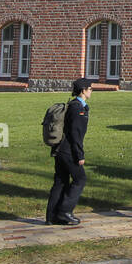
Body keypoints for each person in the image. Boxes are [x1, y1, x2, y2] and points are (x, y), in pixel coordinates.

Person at [46, 79, 91, 225]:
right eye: (90, 89)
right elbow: (75, 134)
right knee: (80, 179)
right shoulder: (78, 108)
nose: (91, 91)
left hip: (59, 149)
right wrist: (79, 155)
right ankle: (65, 211)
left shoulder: (73, 105)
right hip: (68, 150)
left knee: (60, 181)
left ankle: (51, 216)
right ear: (83, 90)